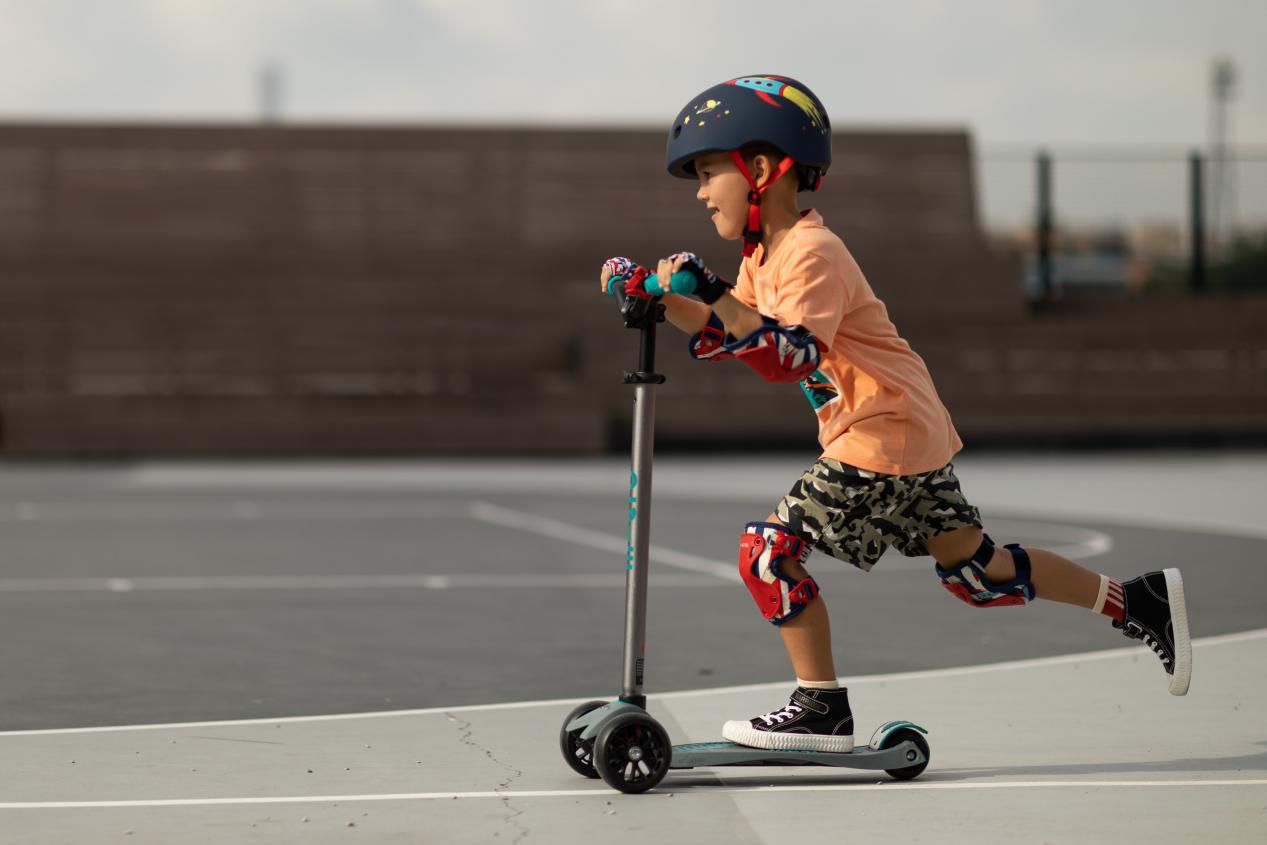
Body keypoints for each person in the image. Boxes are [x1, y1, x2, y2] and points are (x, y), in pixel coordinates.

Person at [598, 75, 1192, 753]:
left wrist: (699, 289)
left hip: (881, 431)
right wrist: (651, 296)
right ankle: (1135, 600)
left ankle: (819, 706)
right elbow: (728, 327)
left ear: (760, 169)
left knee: (767, 553)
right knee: (978, 570)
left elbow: (785, 354)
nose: (701, 192)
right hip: (905, 427)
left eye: (708, 173)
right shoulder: (764, 254)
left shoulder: (812, 252)